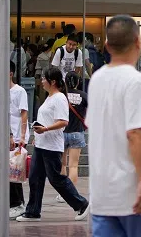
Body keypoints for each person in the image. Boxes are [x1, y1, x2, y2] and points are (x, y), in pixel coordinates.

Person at [84, 15, 141, 236]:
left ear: (107, 45)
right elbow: (135, 133)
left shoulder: (96, 80)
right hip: (135, 196)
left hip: (103, 195)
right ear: (138, 42)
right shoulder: (135, 80)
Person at [17, 67, 90, 223]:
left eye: (44, 79)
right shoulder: (49, 98)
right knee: (35, 178)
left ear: (53, 82)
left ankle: (81, 204)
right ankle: (33, 211)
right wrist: (38, 134)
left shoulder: (59, 98)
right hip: (41, 144)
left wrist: (45, 129)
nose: (42, 81)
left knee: (56, 178)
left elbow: (63, 121)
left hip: (52, 146)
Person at [58, 72, 88, 202]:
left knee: (62, 165)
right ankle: (72, 194)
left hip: (62, 133)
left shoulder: (61, 95)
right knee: (74, 166)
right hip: (77, 133)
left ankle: (62, 194)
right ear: (77, 82)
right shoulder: (83, 95)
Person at [9, 61, 29, 219]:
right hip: (5, 136)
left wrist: (22, 136)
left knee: (14, 171)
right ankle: (14, 203)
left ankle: (18, 204)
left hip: (16, 136)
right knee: (9, 171)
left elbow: (24, 113)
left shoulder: (19, 91)